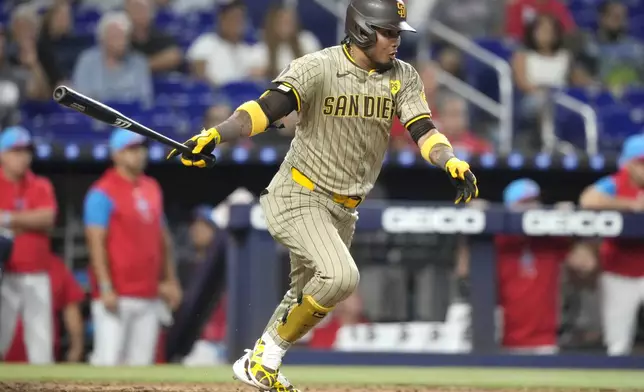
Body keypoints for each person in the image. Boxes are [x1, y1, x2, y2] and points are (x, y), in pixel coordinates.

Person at [167, 0, 479, 390]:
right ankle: (264, 356)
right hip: (299, 192)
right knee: (340, 276)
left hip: (344, 209)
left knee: (305, 294)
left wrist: (449, 160)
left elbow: (423, 129)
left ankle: (261, 363)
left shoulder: (404, 76)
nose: (396, 41)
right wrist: (217, 134)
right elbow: (264, 111)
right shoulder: (318, 66)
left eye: (399, 33)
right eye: (389, 32)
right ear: (363, 29)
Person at [84, 128, 182, 366]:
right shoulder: (102, 192)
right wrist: (105, 286)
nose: (138, 154)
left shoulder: (152, 187)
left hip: (149, 293)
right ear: (116, 155)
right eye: (131, 149)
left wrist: (170, 280)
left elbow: (163, 239)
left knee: (141, 367)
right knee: (108, 363)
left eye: (140, 149)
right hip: (116, 293)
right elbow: (95, 243)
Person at [496, 179, 591, 354]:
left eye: (535, 201)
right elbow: (464, 271)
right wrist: (473, 227)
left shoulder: (551, 238)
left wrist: (570, 224)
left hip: (545, 340)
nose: (533, 207)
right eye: (525, 203)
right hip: (504, 339)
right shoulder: (499, 239)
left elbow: (586, 265)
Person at [579, 134, 644, 356]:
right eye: (641, 163)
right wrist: (630, 205)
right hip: (618, 271)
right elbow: (588, 199)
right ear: (628, 163)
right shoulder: (616, 182)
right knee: (618, 344)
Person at [0, 126, 58, 364]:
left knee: (41, 343)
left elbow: (48, 218)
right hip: (4, 275)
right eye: (15, 151)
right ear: (2, 154)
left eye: (26, 151)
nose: (22, 157)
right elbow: (37, 218)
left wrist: (6, 218)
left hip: (36, 274)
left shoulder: (40, 184)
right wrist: (28, 221)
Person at [4, 252, 85, 363]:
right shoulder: (4, 262)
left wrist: (76, 347)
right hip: (6, 354)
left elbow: (71, 307)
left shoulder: (54, 265)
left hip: (42, 354)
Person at [512, 14, 570, 147]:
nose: (546, 35)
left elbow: (570, 83)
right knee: (543, 102)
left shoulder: (565, 56)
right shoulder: (522, 56)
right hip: (531, 99)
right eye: (542, 30)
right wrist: (545, 92)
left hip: (559, 98)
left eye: (550, 31)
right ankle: (549, 141)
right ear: (533, 32)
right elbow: (522, 84)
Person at [72, 11, 153, 106]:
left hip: (129, 117)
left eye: (123, 36)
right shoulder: (87, 61)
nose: (120, 42)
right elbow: (81, 99)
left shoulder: (139, 63)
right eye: (115, 36)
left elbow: (146, 101)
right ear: (102, 38)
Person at [186, 0, 265, 86]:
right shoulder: (205, 43)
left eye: (240, 19)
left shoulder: (248, 50)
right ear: (222, 20)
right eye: (232, 18)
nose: (236, 23)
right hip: (214, 95)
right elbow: (199, 77)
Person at [581, 0, 644, 92]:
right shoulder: (590, 48)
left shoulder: (638, 49)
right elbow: (579, 76)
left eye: (623, 18)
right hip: (603, 99)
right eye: (615, 17)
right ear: (602, 18)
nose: (620, 22)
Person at [258, 4, 321, 79]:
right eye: (281, 22)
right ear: (273, 24)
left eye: (289, 21)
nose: (286, 26)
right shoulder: (262, 49)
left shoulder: (307, 41)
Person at [38, 0, 93, 83]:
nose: (65, 21)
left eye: (67, 17)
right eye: (60, 17)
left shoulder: (75, 43)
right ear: (50, 18)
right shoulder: (43, 46)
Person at [6, 4, 52, 99]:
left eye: (29, 27)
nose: (25, 32)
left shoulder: (44, 52)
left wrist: (34, 65)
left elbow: (45, 94)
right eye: (21, 28)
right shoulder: (7, 53)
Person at [125, 0, 183, 73]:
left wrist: (141, 67)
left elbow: (174, 56)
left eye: (142, 9)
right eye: (135, 9)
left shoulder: (161, 36)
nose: (138, 14)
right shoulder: (121, 38)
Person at [505, 0, 576, 41]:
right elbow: (513, 33)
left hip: (552, 49)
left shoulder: (558, 7)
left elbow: (568, 31)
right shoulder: (519, 5)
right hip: (523, 47)